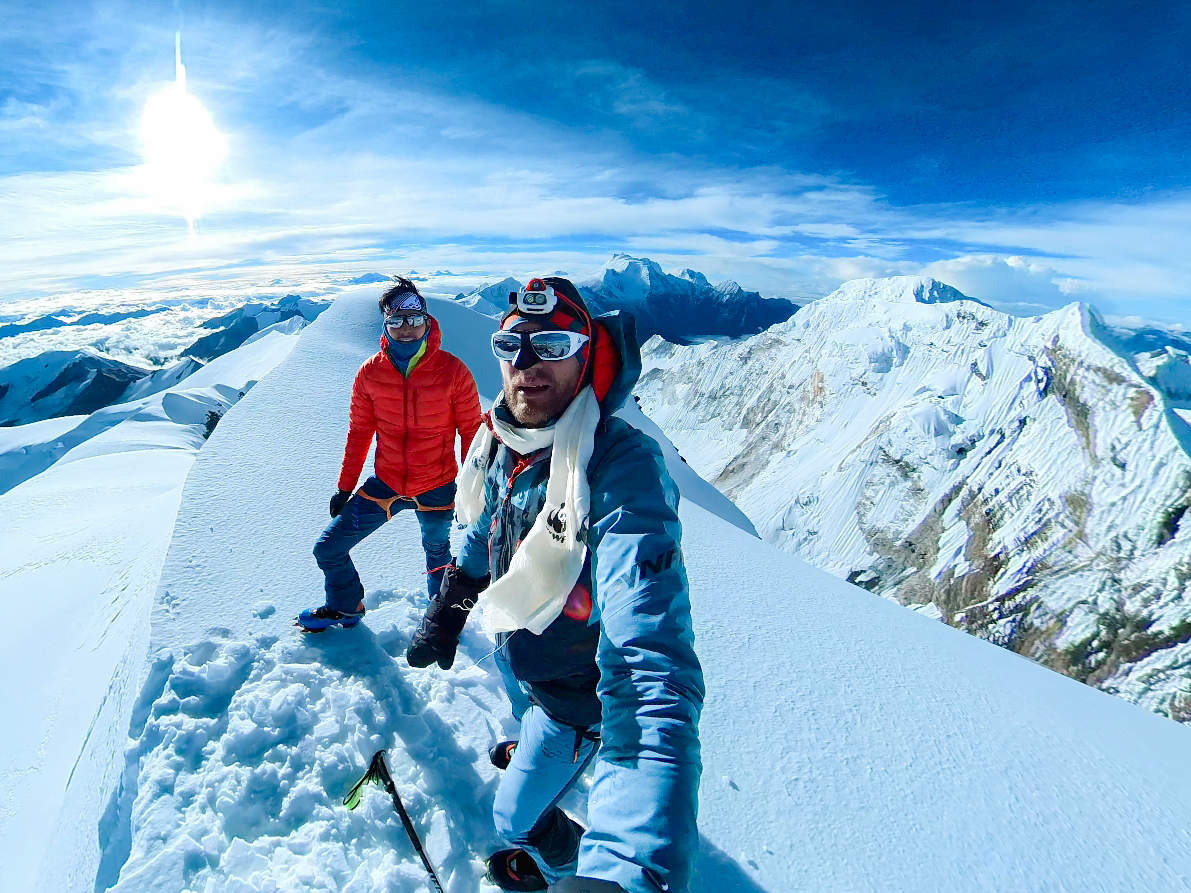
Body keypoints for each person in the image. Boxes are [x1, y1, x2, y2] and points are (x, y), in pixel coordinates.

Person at [405, 277, 704, 892]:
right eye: (511, 343)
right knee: (526, 730)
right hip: (528, 660)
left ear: (588, 355)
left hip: (578, 699)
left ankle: (559, 861)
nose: (526, 364)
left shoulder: (620, 469)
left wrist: (622, 873)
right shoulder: (500, 443)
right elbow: (481, 536)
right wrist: (449, 613)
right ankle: (539, 762)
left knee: (510, 817)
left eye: (553, 343)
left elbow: (650, 667)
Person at [298, 278, 482, 631]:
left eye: (414, 319)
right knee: (329, 548)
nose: (407, 329)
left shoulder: (453, 371)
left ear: (427, 320)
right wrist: (344, 487)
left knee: (438, 556)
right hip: (385, 484)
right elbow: (360, 433)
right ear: (386, 324)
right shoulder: (370, 373)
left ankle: (440, 622)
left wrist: (471, 489)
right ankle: (345, 606)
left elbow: (471, 434)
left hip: (438, 486)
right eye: (397, 321)